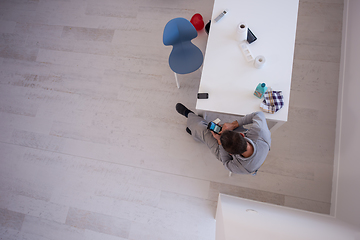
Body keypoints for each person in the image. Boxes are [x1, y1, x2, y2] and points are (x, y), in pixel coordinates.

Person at [175, 103, 271, 175]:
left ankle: (189, 115)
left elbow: (226, 162)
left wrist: (219, 141)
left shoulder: (239, 167)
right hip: (254, 149)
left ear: (230, 153)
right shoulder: (260, 132)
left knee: (202, 130)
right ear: (241, 135)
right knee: (209, 129)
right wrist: (234, 124)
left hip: (229, 157)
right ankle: (194, 130)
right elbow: (259, 114)